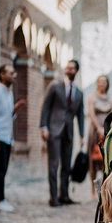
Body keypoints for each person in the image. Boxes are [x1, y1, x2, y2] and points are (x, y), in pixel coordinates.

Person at [40, 60, 85, 207]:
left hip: (69, 132)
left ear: (76, 71)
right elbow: (46, 107)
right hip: (53, 130)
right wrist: (43, 127)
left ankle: (64, 195)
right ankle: (54, 198)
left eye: (72, 68)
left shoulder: (79, 93)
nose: (69, 70)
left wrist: (82, 135)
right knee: (54, 164)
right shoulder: (54, 86)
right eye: (67, 67)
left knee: (66, 165)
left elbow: (80, 115)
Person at [0, 64, 26, 212]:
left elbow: (7, 117)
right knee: (0, 169)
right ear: (2, 74)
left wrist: (16, 109)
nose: (14, 75)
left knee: (0, 169)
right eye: (11, 73)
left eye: (14, 72)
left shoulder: (9, 93)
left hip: (6, 137)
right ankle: (0, 200)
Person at [87, 75, 112, 197]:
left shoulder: (110, 99)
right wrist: (98, 128)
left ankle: (104, 187)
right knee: (92, 159)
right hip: (95, 131)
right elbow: (91, 114)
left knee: (105, 160)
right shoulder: (92, 97)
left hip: (107, 131)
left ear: (107, 84)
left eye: (104, 82)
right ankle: (92, 189)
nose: (102, 84)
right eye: (100, 82)